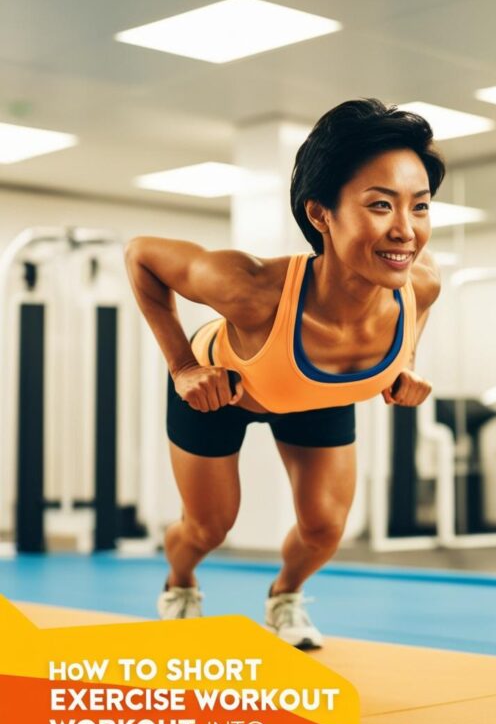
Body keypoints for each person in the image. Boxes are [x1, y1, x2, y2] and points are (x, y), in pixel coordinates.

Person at [124, 98, 444, 649]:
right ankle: (180, 583)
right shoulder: (249, 289)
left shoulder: (421, 285)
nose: (405, 230)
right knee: (209, 528)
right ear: (321, 214)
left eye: (419, 207)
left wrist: (405, 364)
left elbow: (414, 321)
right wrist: (182, 367)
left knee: (325, 528)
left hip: (314, 393)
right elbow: (141, 255)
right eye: (380, 205)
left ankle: (285, 596)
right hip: (223, 394)